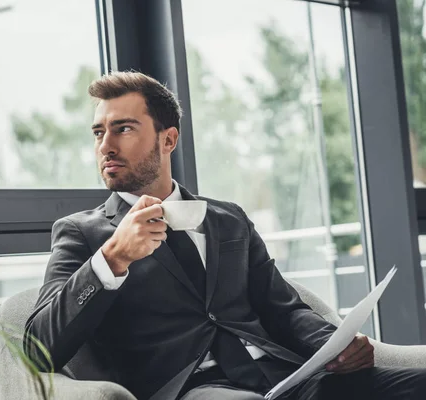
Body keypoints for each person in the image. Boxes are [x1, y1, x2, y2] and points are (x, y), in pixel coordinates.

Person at [24, 71, 426, 400]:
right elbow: (37, 350)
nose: (105, 145)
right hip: (187, 389)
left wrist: (338, 343)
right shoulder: (83, 233)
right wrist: (113, 259)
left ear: (168, 139)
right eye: (98, 133)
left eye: (122, 129)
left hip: (287, 377)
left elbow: (282, 307)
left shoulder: (228, 218)